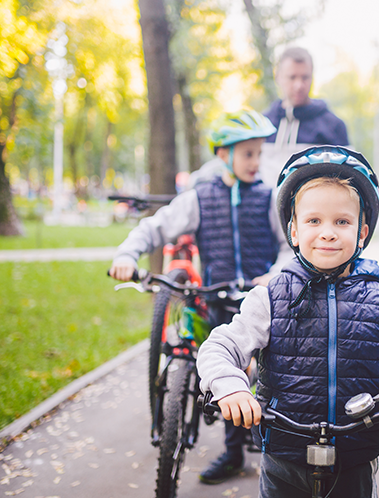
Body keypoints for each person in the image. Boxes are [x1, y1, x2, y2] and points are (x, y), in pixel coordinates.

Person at [197, 146, 379, 498]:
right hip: (284, 456)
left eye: (342, 221)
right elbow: (220, 346)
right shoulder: (271, 296)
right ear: (293, 231)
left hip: (355, 457)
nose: (328, 232)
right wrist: (230, 385)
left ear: (362, 232)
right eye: (314, 221)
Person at [109, 108, 293, 484]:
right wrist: (128, 254)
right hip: (217, 298)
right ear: (223, 154)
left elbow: (290, 246)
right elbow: (157, 227)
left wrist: (272, 276)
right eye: (248, 154)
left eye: (260, 153)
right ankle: (233, 452)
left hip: (260, 301)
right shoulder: (199, 198)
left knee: (273, 370)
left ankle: (277, 444)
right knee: (226, 367)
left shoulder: (269, 198)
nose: (256, 162)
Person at [259, 46, 350, 187]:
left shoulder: (334, 126)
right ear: (278, 76)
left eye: (305, 77)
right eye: (292, 77)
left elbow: (349, 179)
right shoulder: (262, 125)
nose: (299, 85)